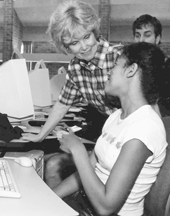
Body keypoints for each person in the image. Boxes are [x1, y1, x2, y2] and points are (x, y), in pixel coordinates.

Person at [56, 42, 168, 216]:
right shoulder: (116, 116)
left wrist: (77, 149)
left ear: (131, 70)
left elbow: (107, 207)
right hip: (85, 202)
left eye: (115, 65)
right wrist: (49, 196)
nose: (109, 71)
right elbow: (87, 172)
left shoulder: (145, 128)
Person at [21, 0, 123, 189]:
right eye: (74, 43)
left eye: (87, 37)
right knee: (50, 164)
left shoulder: (120, 57)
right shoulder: (76, 67)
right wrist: (40, 136)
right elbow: (63, 103)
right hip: (107, 135)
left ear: (95, 31)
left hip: (127, 139)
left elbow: (148, 105)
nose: (84, 46)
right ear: (66, 48)